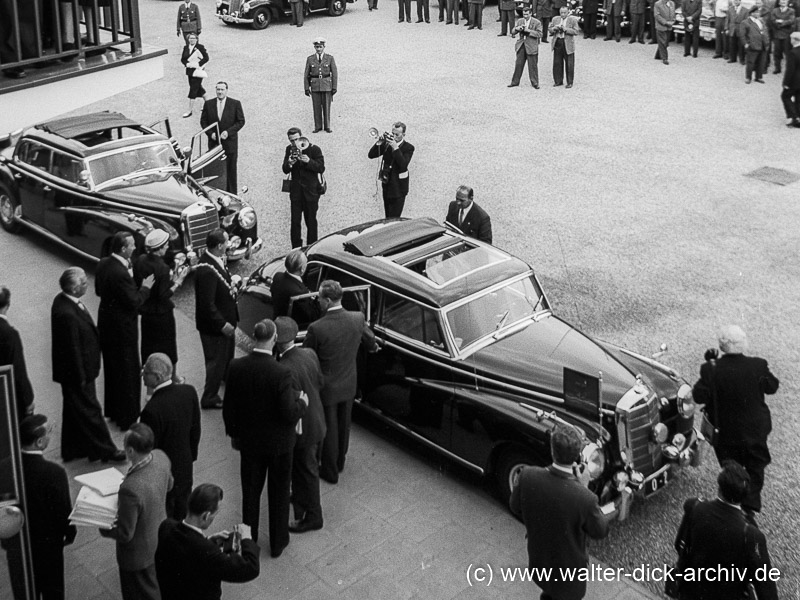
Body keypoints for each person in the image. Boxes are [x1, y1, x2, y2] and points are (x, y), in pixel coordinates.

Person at [223, 319, 308, 557]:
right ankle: (278, 542)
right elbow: (289, 412)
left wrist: (234, 434)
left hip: (250, 444)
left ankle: (249, 540)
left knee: (250, 493)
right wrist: (302, 402)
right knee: (279, 494)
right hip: (279, 445)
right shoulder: (281, 372)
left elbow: (229, 407)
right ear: (273, 339)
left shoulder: (236, 366)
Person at [510, 425, 610, 600]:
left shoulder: (527, 475)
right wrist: (584, 487)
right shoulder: (586, 498)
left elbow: (515, 506)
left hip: (540, 564)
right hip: (568, 579)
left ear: (552, 449)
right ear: (578, 454)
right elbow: (600, 531)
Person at [692, 325, 779, 514]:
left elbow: (698, 396)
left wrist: (711, 365)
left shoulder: (710, 368)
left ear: (722, 346)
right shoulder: (758, 365)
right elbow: (772, 387)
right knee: (756, 466)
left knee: (731, 469)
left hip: (725, 432)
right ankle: (749, 507)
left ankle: (733, 505)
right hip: (755, 429)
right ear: (742, 343)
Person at [304, 280, 377, 484]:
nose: (317, 301)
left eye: (319, 298)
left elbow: (308, 354)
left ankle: (329, 469)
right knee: (344, 424)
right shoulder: (357, 318)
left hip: (326, 386)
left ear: (327, 300)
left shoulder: (316, 328)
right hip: (348, 381)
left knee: (329, 429)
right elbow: (369, 339)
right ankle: (340, 461)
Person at [672, 461, 778, 600]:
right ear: (744, 495)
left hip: (691, 593)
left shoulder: (694, 507)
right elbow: (766, 588)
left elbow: (679, 545)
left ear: (720, 487)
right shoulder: (752, 535)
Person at [52, 267, 125, 463]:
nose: (87, 284)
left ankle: (73, 449)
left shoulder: (62, 301)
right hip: (78, 373)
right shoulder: (67, 314)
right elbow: (73, 348)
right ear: (74, 289)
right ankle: (107, 450)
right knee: (90, 411)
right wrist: (81, 376)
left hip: (74, 371)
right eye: (83, 282)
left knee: (73, 409)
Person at [2, 415, 76, 600]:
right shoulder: (54, 473)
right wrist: (70, 532)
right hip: (48, 546)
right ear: (39, 441)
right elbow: (63, 511)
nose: (52, 434)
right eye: (49, 432)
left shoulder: (4, 468)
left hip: (17, 545)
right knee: (52, 590)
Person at [100, 423, 173, 600]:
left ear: (131, 451)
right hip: (159, 535)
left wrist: (103, 527)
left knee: (138, 592)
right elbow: (169, 485)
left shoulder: (130, 488)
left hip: (136, 554)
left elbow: (125, 533)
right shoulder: (161, 457)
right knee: (153, 585)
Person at [155, 484, 260, 600]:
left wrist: (209, 540)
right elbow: (251, 568)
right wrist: (247, 538)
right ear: (206, 516)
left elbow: (186, 549)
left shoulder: (166, 526)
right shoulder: (208, 553)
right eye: (215, 515)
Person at [95, 232, 155, 430]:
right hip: (122, 329)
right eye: (131, 245)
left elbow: (98, 290)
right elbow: (134, 302)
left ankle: (113, 411)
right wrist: (145, 288)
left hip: (106, 323)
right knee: (128, 373)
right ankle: (128, 417)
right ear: (123, 249)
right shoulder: (120, 273)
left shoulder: (103, 263)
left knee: (112, 371)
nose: (134, 248)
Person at [275, 317, 326, 533]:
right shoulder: (309, 354)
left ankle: (313, 516)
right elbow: (319, 382)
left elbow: (288, 407)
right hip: (317, 420)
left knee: (307, 470)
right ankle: (300, 497)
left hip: (302, 429)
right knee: (306, 468)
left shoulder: (283, 368)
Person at [139, 353, 201, 521]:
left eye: (146, 371)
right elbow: (195, 430)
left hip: (165, 477)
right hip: (185, 467)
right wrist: (190, 457)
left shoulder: (151, 410)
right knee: (183, 511)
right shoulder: (189, 392)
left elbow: (150, 451)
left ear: (157, 377)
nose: (142, 374)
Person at [134, 230, 188, 383]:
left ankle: (147, 374)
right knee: (169, 346)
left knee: (148, 346)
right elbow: (164, 295)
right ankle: (173, 376)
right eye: (166, 245)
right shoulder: (162, 268)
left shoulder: (141, 260)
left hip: (147, 312)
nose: (168, 247)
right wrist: (178, 281)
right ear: (160, 248)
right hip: (162, 314)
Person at [194, 229, 238, 410]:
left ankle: (225, 377)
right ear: (220, 246)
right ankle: (209, 396)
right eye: (227, 242)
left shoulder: (214, 261)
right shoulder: (207, 270)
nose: (229, 244)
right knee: (215, 362)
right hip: (216, 328)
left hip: (225, 322)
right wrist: (222, 324)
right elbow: (207, 304)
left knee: (226, 357)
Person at [282, 127, 325, 248]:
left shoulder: (314, 149)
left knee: (311, 222)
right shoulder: (289, 150)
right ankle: (296, 248)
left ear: (301, 137)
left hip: (311, 193)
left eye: (296, 139)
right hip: (296, 193)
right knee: (295, 223)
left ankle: (311, 248)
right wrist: (289, 163)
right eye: (291, 141)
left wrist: (309, 161)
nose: (294, 143)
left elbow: (321, 168)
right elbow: (285, 170)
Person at [200, 81, 245, 194]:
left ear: (226, 90)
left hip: (230, 144)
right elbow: (203, 121)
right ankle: (216, 194)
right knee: (215, 170)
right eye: (218, 89)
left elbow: (241, 121)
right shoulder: (208, 104)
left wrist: (228, 132)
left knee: (231, 170)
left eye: (222, 89)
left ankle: (232, 195)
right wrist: (211, 134)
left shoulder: (235, 104)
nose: (220, 92)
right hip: (214, 144)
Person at [367, 122, 415, 218]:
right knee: (387, 215)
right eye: (393, 133)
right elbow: (371, 155)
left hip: (399, 188)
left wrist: (395, 147)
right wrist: (379, 143)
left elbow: (403, 165)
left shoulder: (408, 148)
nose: (394, 136)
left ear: (403, 135)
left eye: (397, 135)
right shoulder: (387, 144)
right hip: (387, 184)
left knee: (394, 218)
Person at [0, 286, 34, 419]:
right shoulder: (10, 334)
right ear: (8, 305)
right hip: (7, 397)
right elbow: (18, 369)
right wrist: (27, 399)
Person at [270, 250, 319, 326]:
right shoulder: (300, 293)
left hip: (277, 317)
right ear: (302, 269)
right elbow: (312, 315)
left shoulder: (278, 276)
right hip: (292, 325)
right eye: (306, 263)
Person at [303, 38, 338, 133]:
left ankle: (327, 126)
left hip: (327, 85)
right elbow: (306, 74)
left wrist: (334, 87)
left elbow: (334, 73)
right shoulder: (310, 59)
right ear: (314, 47)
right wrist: (306, 88)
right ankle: (318, 126)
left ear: (324, 47)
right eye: (317, 47)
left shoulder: (329, 58)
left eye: (320, 47)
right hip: (315, 86)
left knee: (327, 106)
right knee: (316, 107)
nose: (318, 49)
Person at [508, 6, 543, 89]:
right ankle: (515, 82)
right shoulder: (520, 21)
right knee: (518, 64)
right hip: (521, 45)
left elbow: (540, 34)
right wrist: (517, 29)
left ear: (530, 14)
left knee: (532, 66)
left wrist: (529, 31)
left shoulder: (536, 22)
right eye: (524, 14)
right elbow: (512, 32)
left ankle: (535, 83)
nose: (525, 16)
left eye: (527, 14)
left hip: (531, 46)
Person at [549, 5, 580, 87]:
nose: (562, 14)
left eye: (564, 13)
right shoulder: (555, 19)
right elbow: (550, 29)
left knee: (569, 64)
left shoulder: (572, 20)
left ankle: (570, 82)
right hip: (558, 41)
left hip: (567, 43)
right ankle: (558, 81)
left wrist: (565, 29)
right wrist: (554, 29)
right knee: (557, 63)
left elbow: (576, 31)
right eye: (561, 13)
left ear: (568, 12)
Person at [180, 33, 209, 119]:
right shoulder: (186, 48)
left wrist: (198, 64)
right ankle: (209, 104)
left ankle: (189, 110)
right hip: (190, 71)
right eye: (190, 38)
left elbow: (206, 58)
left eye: (193, 38)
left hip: (197, 71)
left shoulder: (200, 47)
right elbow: (183, 59)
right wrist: (187, 64)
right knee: (199, 88)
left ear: (197, 39)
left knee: (193, 89)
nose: (192, 40)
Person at [740, 6, 770, 82]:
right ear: (751, 13)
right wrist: (745, 44)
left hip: (763, 45)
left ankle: (759, 77)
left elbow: (765, 31)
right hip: (753, 45)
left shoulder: (761, 21)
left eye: (758, 12)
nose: (758, 13)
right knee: (751, 62)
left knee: (761, 62)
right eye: (756, 12)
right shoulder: (745, 22)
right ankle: (748, 77)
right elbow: (742, 35)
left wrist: (767, 41)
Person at [772, 0, 796, 72]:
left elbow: (791, 21)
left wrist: (781, 22)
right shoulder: (774, 10)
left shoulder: (791, 10)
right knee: (776, 53)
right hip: (777, 35)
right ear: (779, 2)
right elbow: (772, 20)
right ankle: (777, 68)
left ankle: (789, 69)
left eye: (785, 0)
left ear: (787, 2)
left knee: (788, 53)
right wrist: (780, 23)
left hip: (786, 35)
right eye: (781, 0)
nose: (783, 1)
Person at [783, 31, 800, 127]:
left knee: (785, 96)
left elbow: (790, 70)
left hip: (794, 81)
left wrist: (786, 83)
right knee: (798, 99)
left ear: (794, 40)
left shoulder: (793, 53)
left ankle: (794, 117)